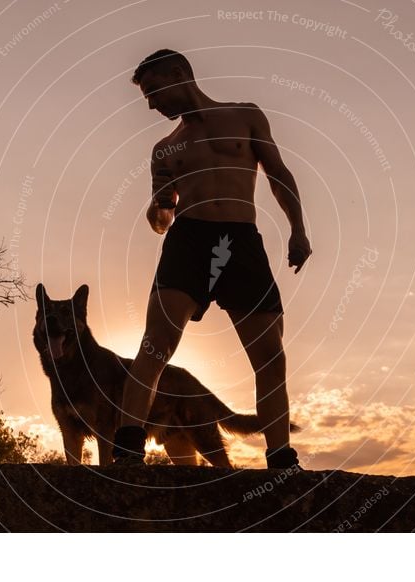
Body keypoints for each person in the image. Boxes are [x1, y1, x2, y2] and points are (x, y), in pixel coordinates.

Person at [112, 49, 311, 469]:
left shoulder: (245, 115)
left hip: (242, 240)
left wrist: (298, 228)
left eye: (152, 91)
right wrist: (159, 208)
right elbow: (160, 217)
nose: (150, 104)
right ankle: (127, 451)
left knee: (270, 354)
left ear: (178, 74)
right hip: (189, 241)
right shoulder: (164, 149)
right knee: (155, 346)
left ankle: (281, 458)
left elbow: (278, 173)